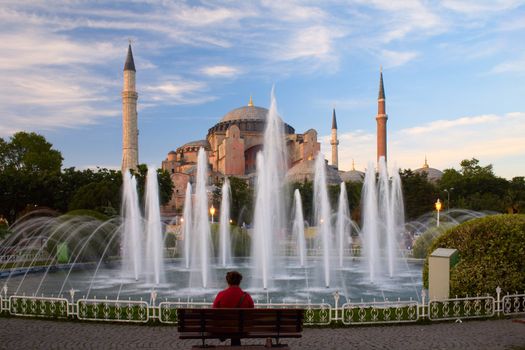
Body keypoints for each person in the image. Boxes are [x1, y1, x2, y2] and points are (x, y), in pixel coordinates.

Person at [213, 271, 254, 346]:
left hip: (225, 329)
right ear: (239, 281)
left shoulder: (221, 295)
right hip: (242, 329)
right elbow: (251, 311)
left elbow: (214, 312)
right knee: (237, 325)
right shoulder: (246, 296)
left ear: (227, 281)